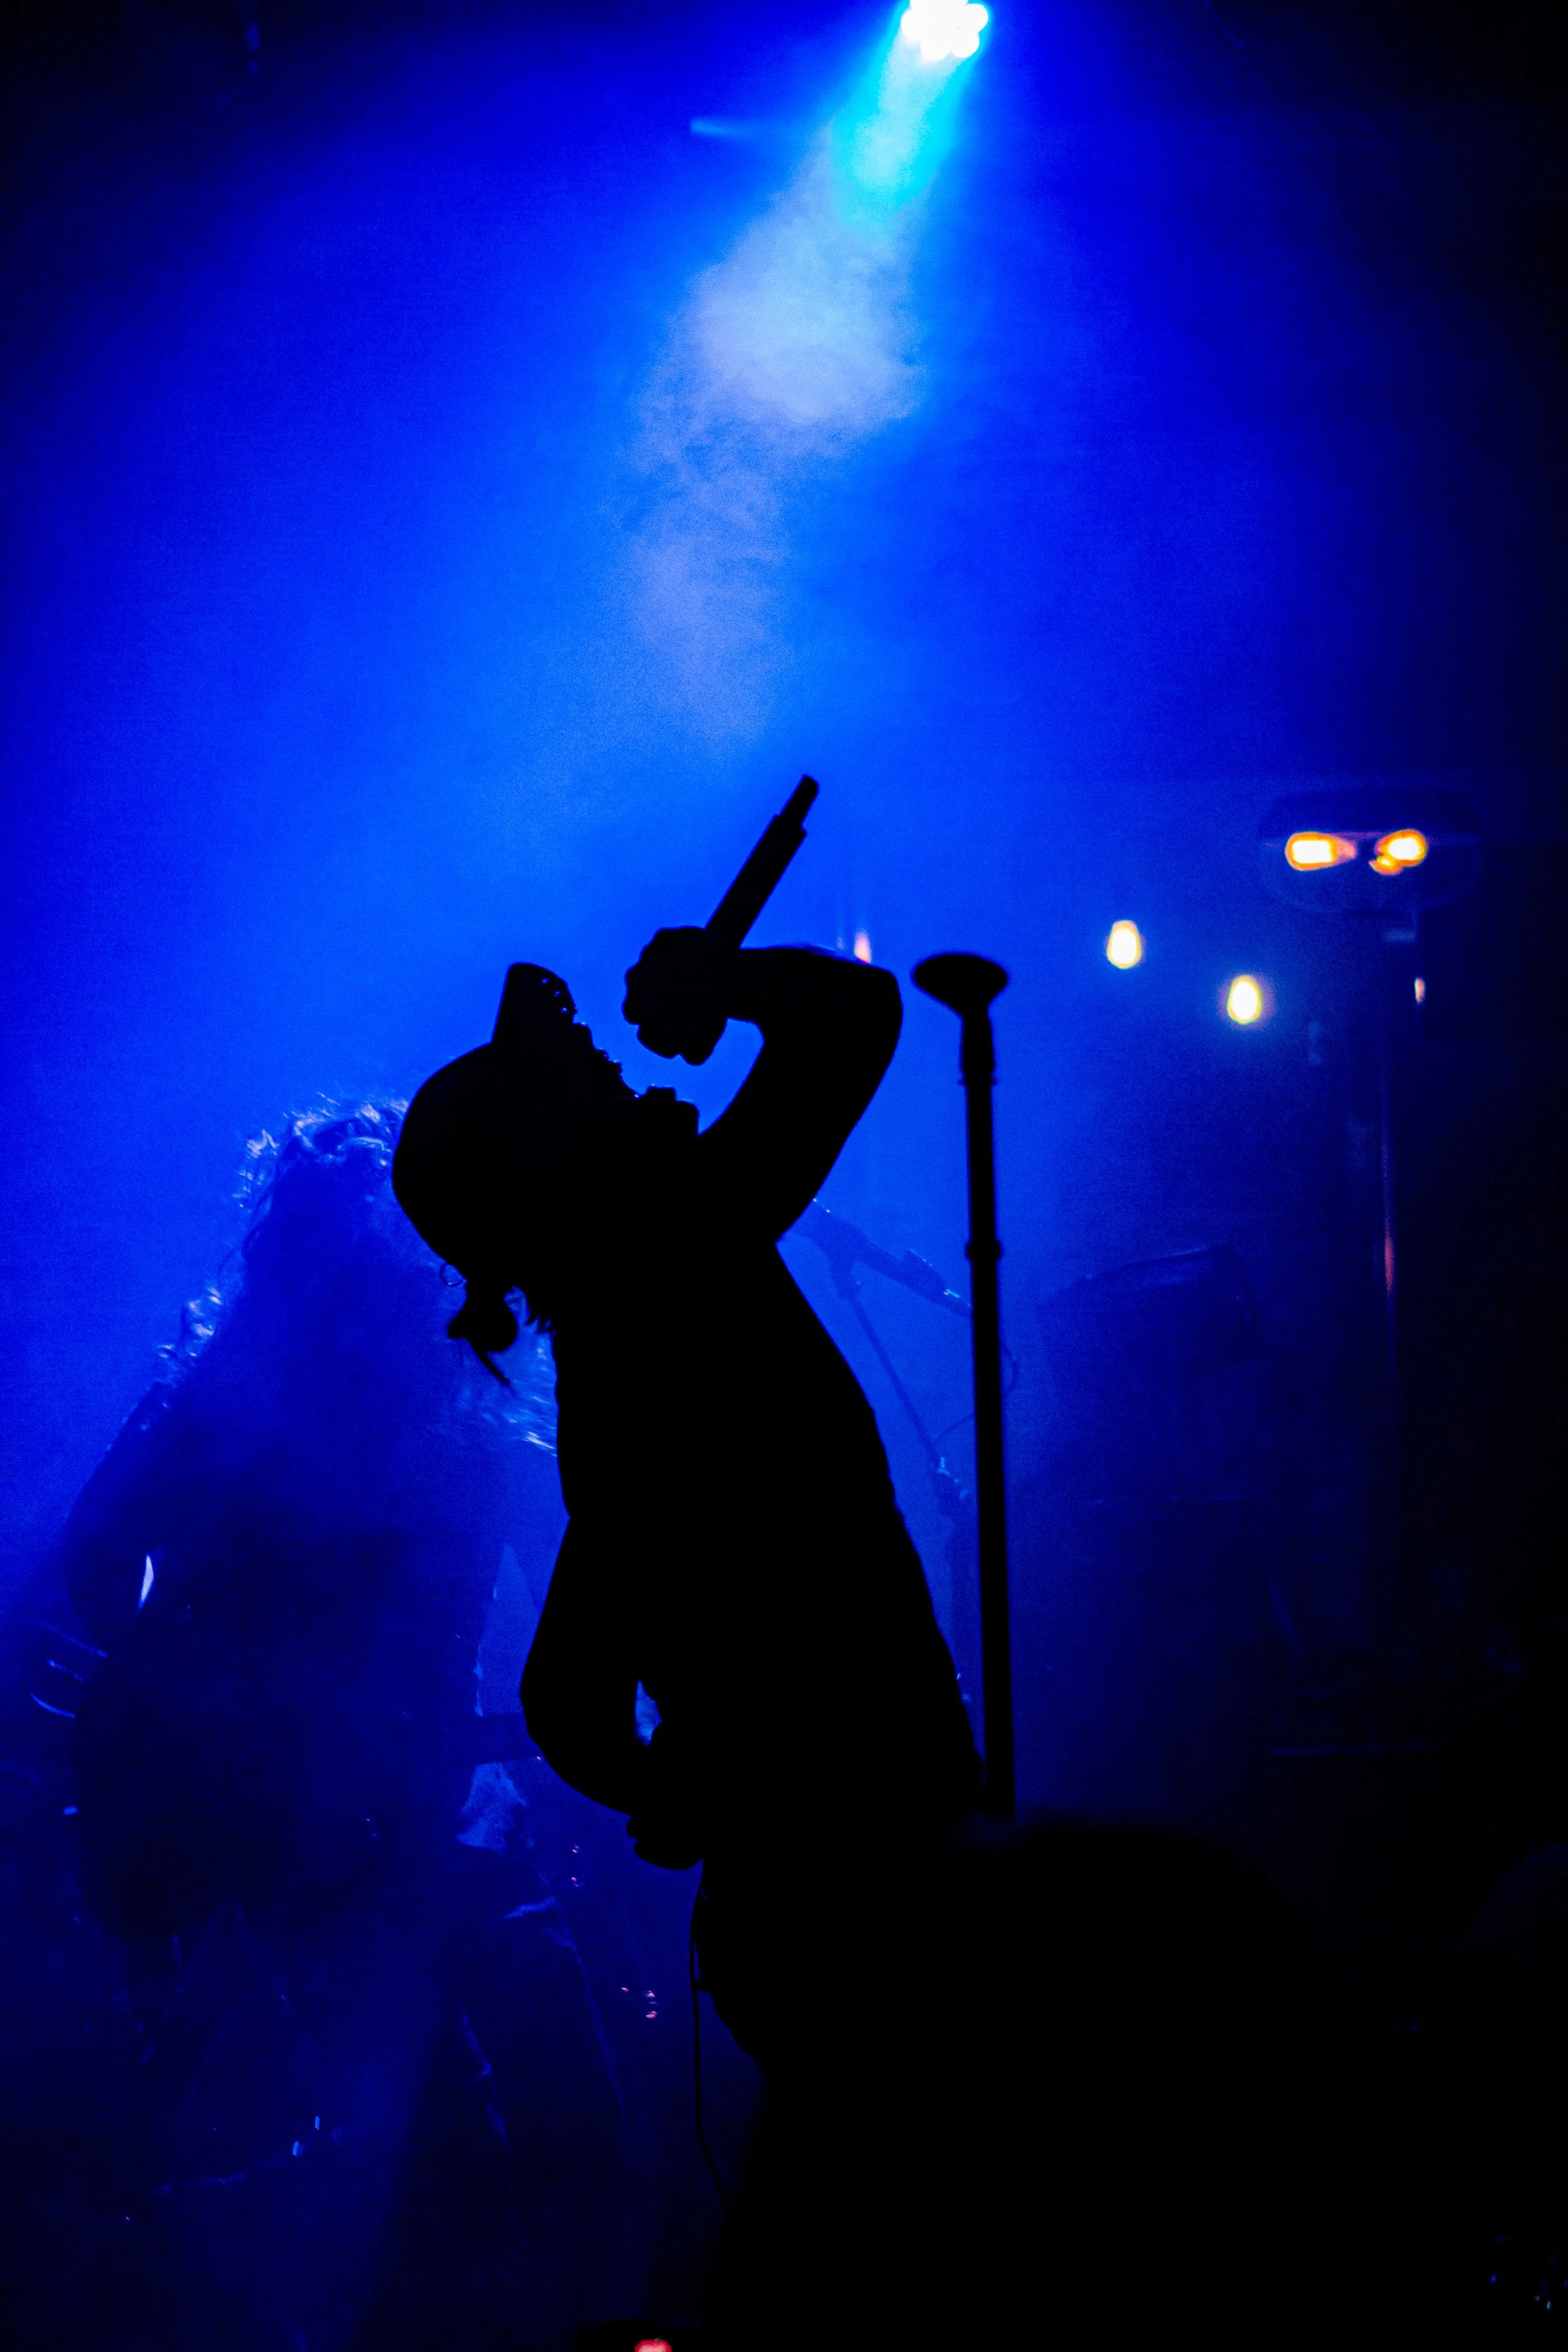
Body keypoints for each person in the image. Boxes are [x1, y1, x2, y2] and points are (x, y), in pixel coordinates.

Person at [58, 1102, 630, 2352]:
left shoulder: (480, 1413)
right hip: (310, 1842)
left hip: (450, 1819)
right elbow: (98, 1566)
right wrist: (241, 1710)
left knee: (580, 2143)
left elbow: (592, 1577)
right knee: (443, 2183)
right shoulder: (229, 1414)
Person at [391, 932, 982, 2080]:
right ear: (545, 1168)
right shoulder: (679, 1258)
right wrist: (722, 980)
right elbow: (856, 1017)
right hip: (872, 1875)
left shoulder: (623, 1342)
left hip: (800, 1898)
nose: (615, 1069)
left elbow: (564, 1695)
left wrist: (692, 1786)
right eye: (579, 1080)